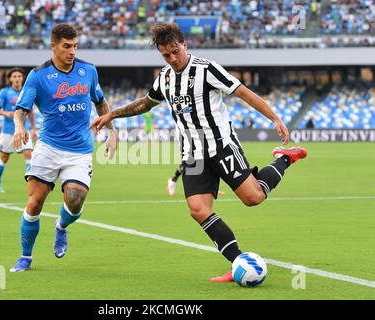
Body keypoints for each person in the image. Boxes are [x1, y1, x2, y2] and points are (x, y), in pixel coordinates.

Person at [91, 23, 307, 283]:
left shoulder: (207, 69)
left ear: (185, 45)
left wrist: (274, 118)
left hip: (221, 146)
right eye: (165, 55)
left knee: (253, 198)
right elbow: (145, 103)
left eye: (175, 52)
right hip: (192, 155)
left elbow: (244, 93)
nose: (172, 59)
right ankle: (238, 261)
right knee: (198, 209)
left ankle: (285, 157)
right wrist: (111, 114)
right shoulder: (165, 78)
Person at [9, 23, 118, 272]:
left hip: (79, 149)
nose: (72, 51)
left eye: (75, 46)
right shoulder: (38, 75)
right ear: (54, 46)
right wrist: (18, 127)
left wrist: (111, 129)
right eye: (67, 46)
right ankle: (26, 257)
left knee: (76, 199)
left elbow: (100, 103)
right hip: (48, 148)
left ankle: (61, 227)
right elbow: (21, 110)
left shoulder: (88, 70)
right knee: (35, 203)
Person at [0, 68, 37, 193]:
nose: (17, 78)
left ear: (23, 78)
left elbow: (31, 111)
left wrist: (33, 128)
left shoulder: (27, 92)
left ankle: (31, 184)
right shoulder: (5, 92)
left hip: (24, 130)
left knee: (29, 154)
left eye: (19, 76)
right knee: (5, 157)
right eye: (15, 76)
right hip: (8, 131)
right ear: (10, 79)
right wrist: (6, 113)